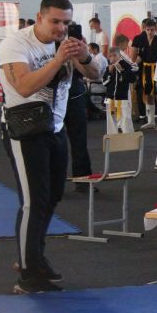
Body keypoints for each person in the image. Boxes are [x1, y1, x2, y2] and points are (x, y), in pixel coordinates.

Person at [0, 0, 98, 294]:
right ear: (40, 17)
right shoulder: (16, 44)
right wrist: (57, 60)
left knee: (53, 196)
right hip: (24, 128)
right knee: (34, 201)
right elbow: (24, 86)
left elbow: (96, 75)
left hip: (54, 127)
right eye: (55, 21)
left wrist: (84, 57)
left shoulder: (67, 44)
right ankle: (28, 275)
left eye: (66, 22)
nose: (61, 28)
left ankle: (33, 258)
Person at [63, 23, 95, 191]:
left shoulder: (79, 48)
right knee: (54, 143)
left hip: (75, 96)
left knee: (79, 142)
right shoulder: (50, 46)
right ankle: (54, 182)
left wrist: (81, 54)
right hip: (54, 99)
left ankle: (83, 181)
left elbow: (89, 71)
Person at [131, 18, 157, 129]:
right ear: (145, 29)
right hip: (145, 69)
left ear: (155, 29)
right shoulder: (142, 40)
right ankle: (151, 121)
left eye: (152, 30)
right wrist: (134, 64)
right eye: (148, 30)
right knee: (148, 94)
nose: (150, 32)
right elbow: (141, 56)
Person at [104, 46, 137, 135]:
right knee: (111, 120)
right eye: (110, 56)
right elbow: (104, 83)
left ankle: (129, 138)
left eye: (114, 55)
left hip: (122, 98)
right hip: (110, 98)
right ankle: (112, 138)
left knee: (125, 119)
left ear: (119, 55)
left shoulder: (126, 65)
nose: (113, 58)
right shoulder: (109, 68)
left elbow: (133, 79)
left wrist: (121, 70)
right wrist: (109, 73)